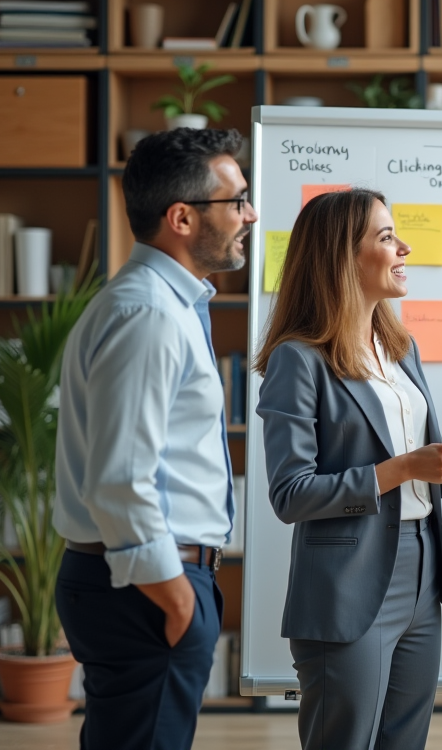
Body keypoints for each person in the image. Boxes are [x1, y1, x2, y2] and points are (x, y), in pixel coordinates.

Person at [254, 188, 442, 750]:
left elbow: (413, 465)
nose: (404, 247)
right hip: (348, 583)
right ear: (343, 256)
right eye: (386, 237)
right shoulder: (299, 359)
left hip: (421, 570)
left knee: (404, 742)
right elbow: (291, 494)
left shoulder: (400, 347)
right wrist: (404, 467)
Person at [54, 128, 257, 750]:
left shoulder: (157, 304)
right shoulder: (147, 314)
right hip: (146, 588)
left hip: (142, 584)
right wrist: (176, 604)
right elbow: (119, 478)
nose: (250, 215)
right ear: (182, 218)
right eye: (237, 201)